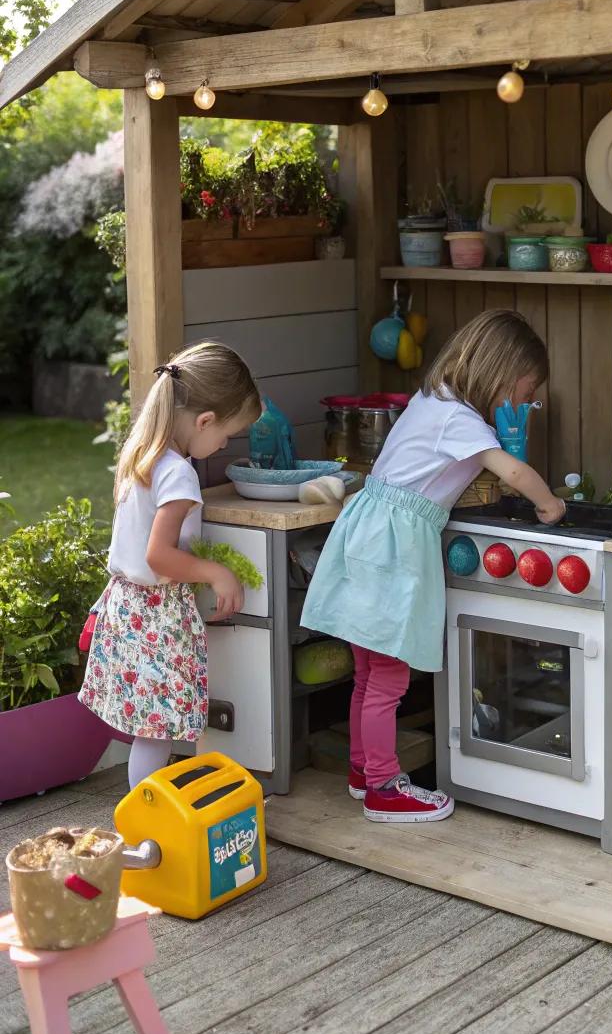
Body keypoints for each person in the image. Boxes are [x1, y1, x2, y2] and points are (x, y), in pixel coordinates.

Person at [302, 309, 565, 824]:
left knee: (368, 673)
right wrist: (548, 502)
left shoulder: (432, 401)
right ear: (499, 371)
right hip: (392, 549)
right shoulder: (460, 421)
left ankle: (363, 772)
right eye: (522, 389)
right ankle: (383, 787)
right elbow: (511, 470)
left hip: (368, 536)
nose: (518, 402)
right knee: (389, 680)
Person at [79, 342, 262, 789]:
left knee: (150, 730)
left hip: (128, 606)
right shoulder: (179, 473)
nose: (221, 445)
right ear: (204, 421)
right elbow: (158, 555)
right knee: (156, 733)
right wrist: (216, 572)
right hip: (155, 613)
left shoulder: (145, 454)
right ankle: (146, 823)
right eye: (225, 435)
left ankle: (147, 818)